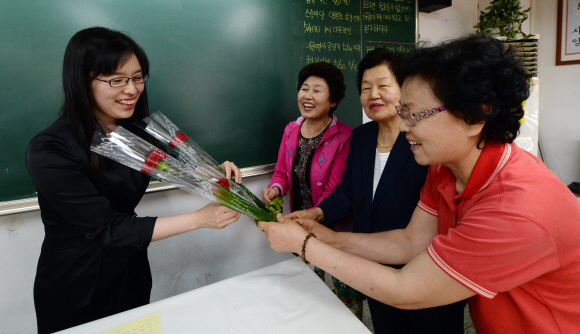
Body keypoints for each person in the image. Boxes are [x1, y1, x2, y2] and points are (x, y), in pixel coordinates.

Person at [259, 34, 580, 334]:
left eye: (415, 114)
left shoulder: (516, 209)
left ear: (475, 116)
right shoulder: (444, 170)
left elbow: (406, 289)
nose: (405, 127)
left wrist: (303, 245)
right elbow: (410, 241)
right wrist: (322, 235)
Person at [26, 27, 242, 334]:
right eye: (117, 79)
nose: (131, 89)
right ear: (82, 80)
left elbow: (177, 170)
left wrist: (214, 172)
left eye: (138, 77)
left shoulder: (136, 134)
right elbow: (108, 227)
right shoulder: (50, 149)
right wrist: (199, 219)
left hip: (130, 270)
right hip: (77, 283)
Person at [285, 48, 465, 333]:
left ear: (405, 90)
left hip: (422, 263)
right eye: (366, 88)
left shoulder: (426, 141)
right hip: (373, 259)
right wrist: (316, 212)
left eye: (383, 85)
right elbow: (347, 190)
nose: (373, 95)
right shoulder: (361, 137)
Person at [260, 61, 356, 314]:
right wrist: (275, 190)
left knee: (344, 297)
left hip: (331, 228)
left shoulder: (344, 137)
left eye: (317, 90)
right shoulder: (291, 130)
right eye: (304, 88)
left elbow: (334, 191)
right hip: (296, 225)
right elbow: (281, 171)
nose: (308, 96)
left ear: (333, 100)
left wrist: (310, 220)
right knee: (305, 292)